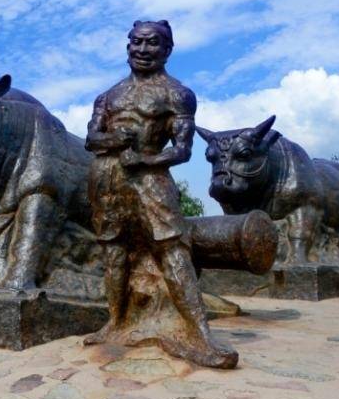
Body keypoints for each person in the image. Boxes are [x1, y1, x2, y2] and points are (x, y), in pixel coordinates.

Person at [84, 20, 236, 368]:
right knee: (114, 252)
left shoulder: (177, 94)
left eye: (152, 43)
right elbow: (92, 139)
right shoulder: (108, 96)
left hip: (151, 179)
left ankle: (200, 333)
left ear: (167, 50)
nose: (142, 50)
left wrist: (145, 158)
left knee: (173, 249)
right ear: (128, 47)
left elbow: (183, 150)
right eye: (136, 42)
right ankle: (116, 321)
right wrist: (115, 142)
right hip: (107, 179)